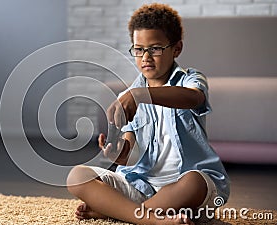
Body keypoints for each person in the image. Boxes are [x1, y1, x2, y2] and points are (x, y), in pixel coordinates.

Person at [67, 3, 230, 225]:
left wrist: (141, 95)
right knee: (77, 177)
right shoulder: (130, 95)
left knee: (194, 182)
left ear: (176, 49)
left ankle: (120, 213)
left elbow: (194, 99)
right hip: (142, 187)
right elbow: (130, 152)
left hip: (184, 187)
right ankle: (151, 219)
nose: (145, 57)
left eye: (155, 49)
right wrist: (119, 153)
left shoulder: (190, 80)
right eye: (138, 49)